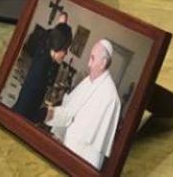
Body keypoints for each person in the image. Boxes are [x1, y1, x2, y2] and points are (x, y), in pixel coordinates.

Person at [45, 39, 121, 169]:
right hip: (65, 149)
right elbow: (70, 113)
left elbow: (96, 150)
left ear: (103, 63)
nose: (88, 63)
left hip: (79, 161)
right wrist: (48, 113)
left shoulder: (111, 98)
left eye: (92, 58)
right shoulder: (88, 80)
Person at [12, 21, 73, 123]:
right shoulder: (41, 73)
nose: (66, 53)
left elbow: (49, 33)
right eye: (65, 49)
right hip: (18, 120)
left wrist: (61, 26)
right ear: (58, 45)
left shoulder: (44, 51)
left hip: (16, 109)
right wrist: (47, 113)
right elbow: (26, 116)